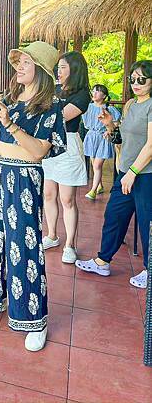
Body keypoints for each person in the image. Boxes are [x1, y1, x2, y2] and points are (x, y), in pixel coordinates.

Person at [0, 42, 66, 352]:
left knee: (24, 245)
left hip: (24, 177)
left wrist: (10, 122)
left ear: (40, 70)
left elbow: (39, 151)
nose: (19, 67)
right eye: (19, 62)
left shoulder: (51, 106)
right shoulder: (10, 98)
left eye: (26, 62)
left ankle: (34, 319)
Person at [76, 60, 152, 289]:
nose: (136, 83)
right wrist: (110, 125)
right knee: (114, 216)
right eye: (133, 79)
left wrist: (133, 172)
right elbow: (121, 137)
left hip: (145, 174)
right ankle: (103, 261)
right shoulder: (130, 104)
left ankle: (150, 271)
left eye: (142, 79)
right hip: (125, 172)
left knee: (147, 223)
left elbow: (150, 145)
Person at [42, 51, 91, 264]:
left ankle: (70, 244)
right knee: (48, 194)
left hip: (68, 145)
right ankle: (52, 235)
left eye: (62, 67)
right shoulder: (55, 90)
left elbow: (59, 118)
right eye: (58, 67)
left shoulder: (82, 95)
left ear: (75, 69)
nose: (58, 71)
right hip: (49, 144)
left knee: (67, 199)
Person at [82, 85, 121, 200]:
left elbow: (117, 124)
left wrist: (109, 130)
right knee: (94, 164)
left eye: (97, 92)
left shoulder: (109, 109)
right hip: (91, 136)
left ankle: (93, 191)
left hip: (103, 138)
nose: (94, 94)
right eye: (93, 91)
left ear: (104, 96)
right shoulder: (88, 107)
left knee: (97, 165)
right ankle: (100, 186)